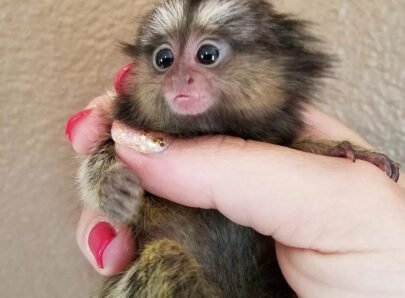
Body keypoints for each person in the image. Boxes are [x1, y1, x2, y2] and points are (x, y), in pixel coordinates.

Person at [66, 94, 405, 297]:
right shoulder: (130, 136)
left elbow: (296, 165)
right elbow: (104, 187)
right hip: (172, 273)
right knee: (163, 262)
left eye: (210, 57)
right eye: (165, 61)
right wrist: (113, 182)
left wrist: (331, 156)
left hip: (270, 280)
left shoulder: (264, 127)